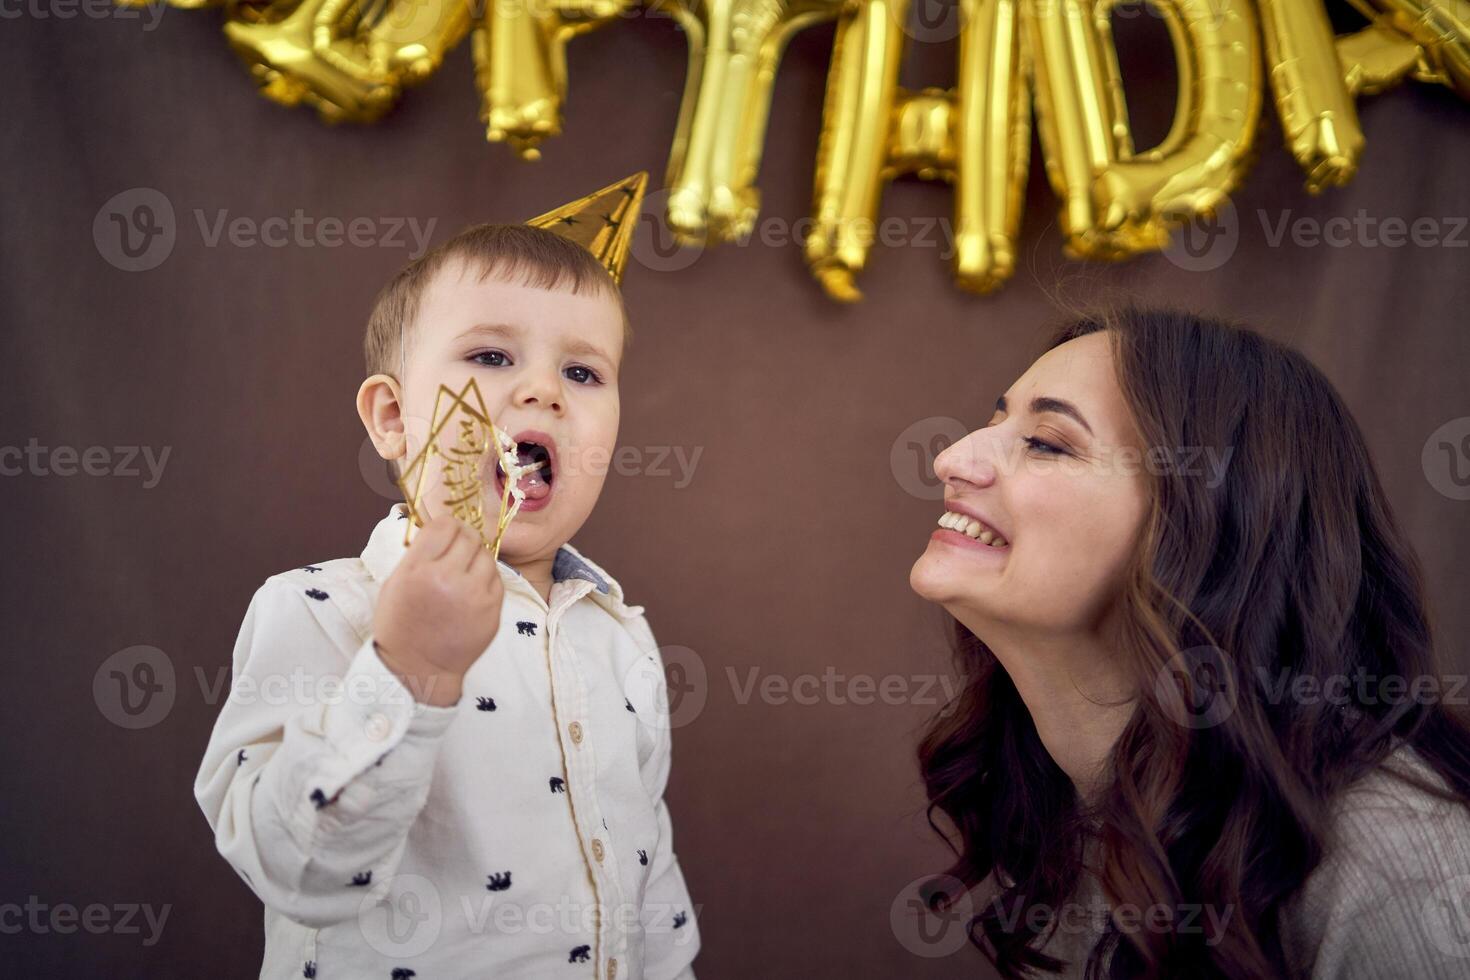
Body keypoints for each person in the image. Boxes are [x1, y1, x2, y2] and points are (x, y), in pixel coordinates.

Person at [194, 177, 700, 979]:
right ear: (394, 420)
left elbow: (647, 872)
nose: (541, 389)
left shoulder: (618, 633)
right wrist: (409, 672)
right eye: (492, 356)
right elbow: (297, 870)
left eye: (584, 373)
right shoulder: (318, 610)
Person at [909, 307, 1470, 978]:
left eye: (1048, 442)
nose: (951, 458)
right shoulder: (1065, 802)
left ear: (1202, 530)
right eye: (998, 421)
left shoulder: (1394, 862)